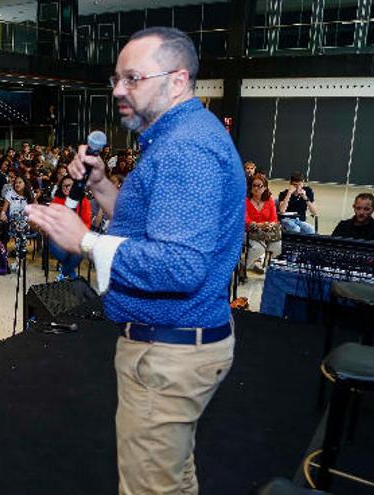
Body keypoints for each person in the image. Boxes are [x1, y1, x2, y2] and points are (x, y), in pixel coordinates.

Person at [26, 27, 241, 494]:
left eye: (134, 78)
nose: (119, 90)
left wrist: (86, 241)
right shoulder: (177, 137)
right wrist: (102, 186)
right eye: (117, 78)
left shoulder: (185, 147)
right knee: (173, 477)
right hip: (180, 343)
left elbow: (181, 265)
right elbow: (152, 226)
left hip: (170, 350)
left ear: (178, 80)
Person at [50, 176, 92, 280]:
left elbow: (86, 221)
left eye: (69, 185)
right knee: (60, 251)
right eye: (63, 186)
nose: (66, 187)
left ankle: (63, 273)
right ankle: (70, 270)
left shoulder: (83, 201)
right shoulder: (57, 200)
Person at [245, 173, 281, 273]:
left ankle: (265, 266)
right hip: (249, 231)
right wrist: (261, 225)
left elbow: (274, 219)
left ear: (265, 187)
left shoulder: (269, 200)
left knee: (277, 247)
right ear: (250, 187)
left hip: (266, 231)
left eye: (259, 186)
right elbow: (246, 221)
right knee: (259, 249)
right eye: (254, 185)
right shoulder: (245, 201)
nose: (256, 188)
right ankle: (245, 267)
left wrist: (270, 225)